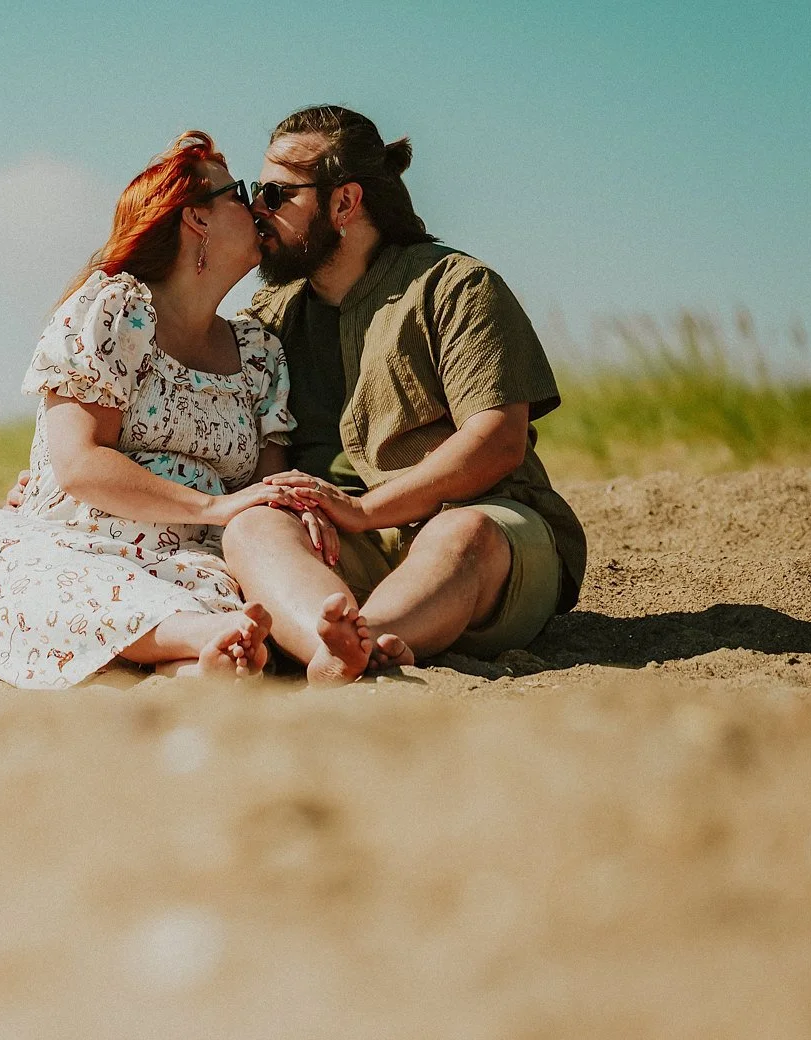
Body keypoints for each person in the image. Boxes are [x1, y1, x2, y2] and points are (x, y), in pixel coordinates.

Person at [0, 132, 356, 688]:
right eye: (238, 193)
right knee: (5, 566)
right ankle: (198, 638)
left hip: (196, 558)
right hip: (80, 541)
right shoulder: (113, 310)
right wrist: (212, 506)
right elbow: (80, 465)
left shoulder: (259, 352)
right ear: (196, 218)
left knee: (225, 602)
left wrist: (289, 505)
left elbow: (260, 492)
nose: (254, 209)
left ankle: (200, 659)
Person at [220, 104, 587, 682]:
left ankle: (359, 639)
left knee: (461, 536)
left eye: (275, 194)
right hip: (337, 548)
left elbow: (498, 441)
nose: (257, 211)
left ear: (345, 202)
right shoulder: (269, 316)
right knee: (253, 527)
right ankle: (335, 647)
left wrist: (365, 511)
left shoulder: (456, 285)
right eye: (254, 193)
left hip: (478, 532)